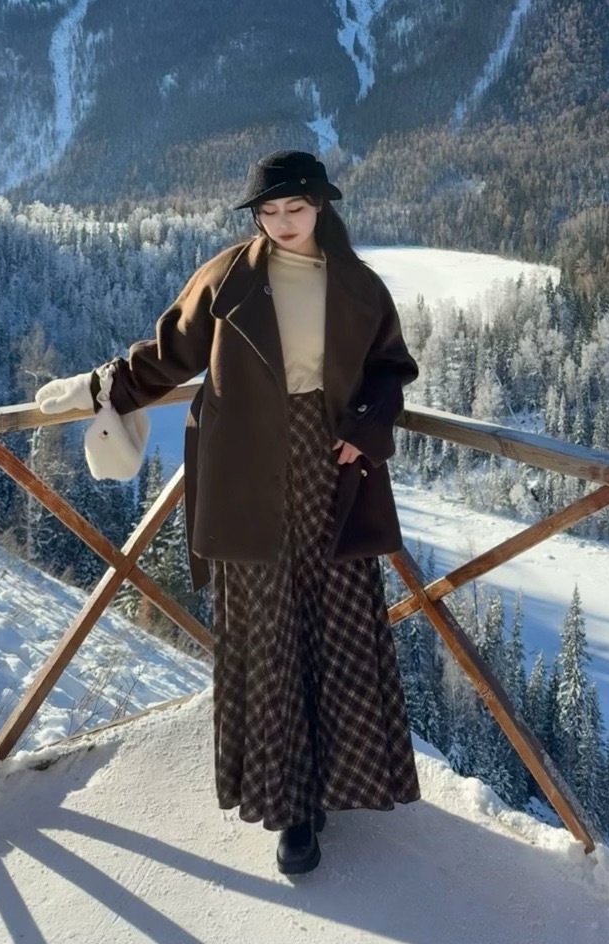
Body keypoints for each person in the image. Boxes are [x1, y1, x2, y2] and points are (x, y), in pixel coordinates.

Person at [37, 149, 421, 875]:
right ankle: (292, 809)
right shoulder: (226, 279)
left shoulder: (359, 285)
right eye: (269, 212)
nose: (282, 222)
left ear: (320, 206)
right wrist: (99, 388)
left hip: (331, 466)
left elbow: (390, 369)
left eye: (295, 208)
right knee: (268, 626)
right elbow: (166, 356)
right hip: (244, 469)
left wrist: (367, 427)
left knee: (337, 617)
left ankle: (337, 779)